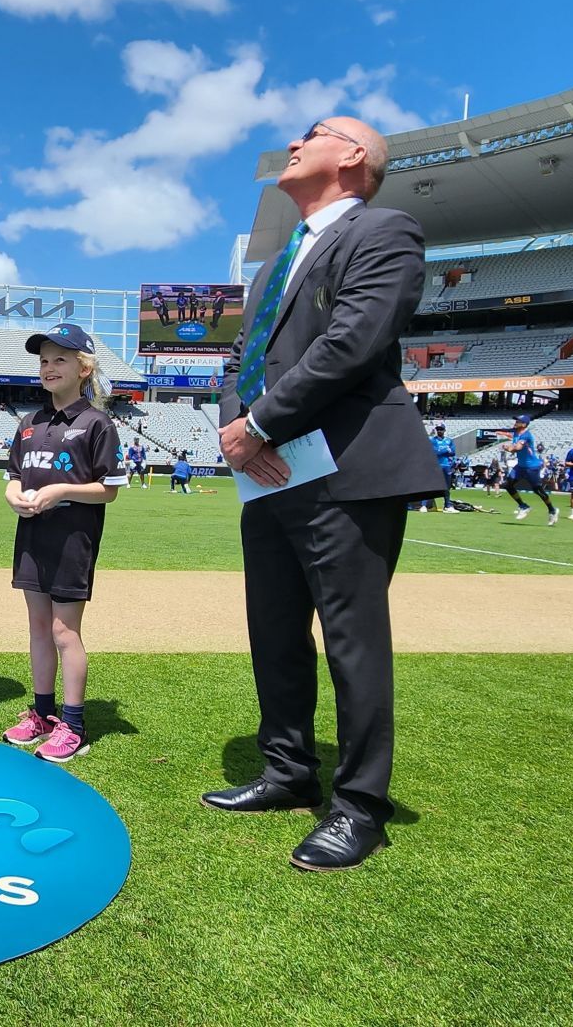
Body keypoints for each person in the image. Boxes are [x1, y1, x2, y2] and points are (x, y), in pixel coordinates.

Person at [204, 116, 445, 872]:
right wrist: (237, 433)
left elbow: (353, 342)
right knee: (273, 631)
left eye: (317, 132)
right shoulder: (276, 261)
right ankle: (287, 770)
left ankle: (359, 808)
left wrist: (262, 424)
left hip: (347, 470)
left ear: (355, 157)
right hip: (273, 473)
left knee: (352, 642)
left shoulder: (385, 230)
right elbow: (241, 359)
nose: (296, 142)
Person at [0, 324, 127, 763]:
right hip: (32, 538)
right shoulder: (30, 423)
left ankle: (73, 724)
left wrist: (59, 492)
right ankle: (42, 712)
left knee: (63, 631)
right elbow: (15, 476)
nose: (49, 367)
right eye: (44, 360)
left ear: (83, 367)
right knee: (38, 627)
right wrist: (14, 494)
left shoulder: (97, 423)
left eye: (60, 359)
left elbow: (109, 488)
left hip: (73, 540)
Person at [501, 413, 558, 525]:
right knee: (507, 484)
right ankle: (523, 506)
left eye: (518, 421)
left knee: (538, 491)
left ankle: (552, 510)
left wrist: (508, 447)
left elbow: (517, 448)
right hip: (521, 466)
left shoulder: (526, 435)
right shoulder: (516, 432)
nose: (515, 422)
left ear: (524, 424)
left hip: (531, 467)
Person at [423, 424, 456, 512]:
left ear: (444, 430)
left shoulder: (449, 440)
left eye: (441, 429)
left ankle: (447, 505)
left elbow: (453, 452)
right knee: (429, 485)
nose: (439, 431)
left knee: (447, 486)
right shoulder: (433, 440)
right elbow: (434, 452)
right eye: (438, 429)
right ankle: (423, 505)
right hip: (435, 465)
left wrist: (443, 451)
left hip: (446, 466)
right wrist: (446, 450)